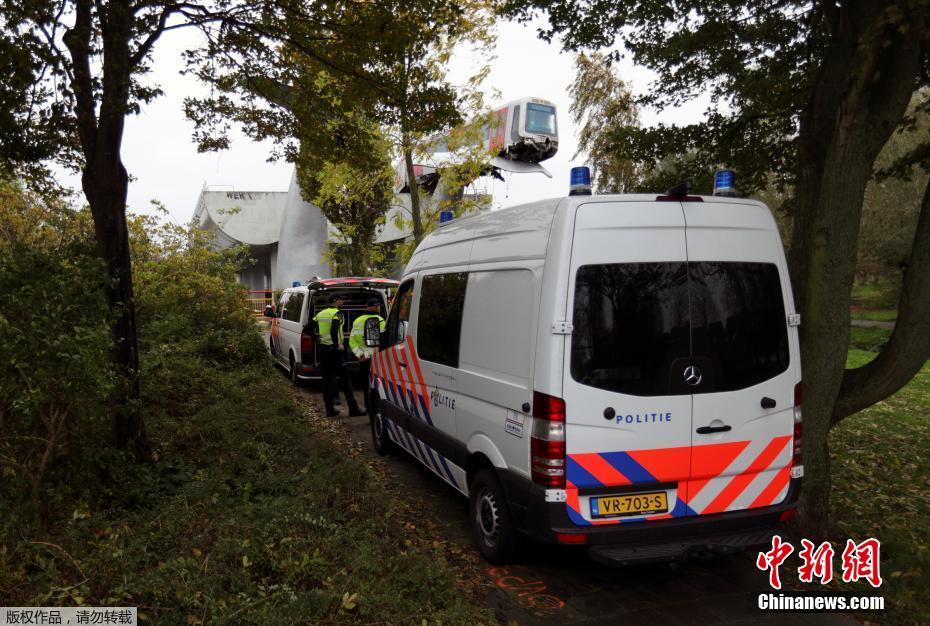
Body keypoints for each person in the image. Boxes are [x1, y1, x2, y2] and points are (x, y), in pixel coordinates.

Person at [313, 295, 364, 417]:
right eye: (341, 300)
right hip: (335, 353)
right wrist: (337, 345)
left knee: (327, 382)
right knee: (345, 380)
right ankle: (353, 409)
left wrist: (316, 336)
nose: (342, 302)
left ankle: (329, 410)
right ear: (336, 302)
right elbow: (333, 330)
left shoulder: (320, 314)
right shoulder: (337, 313)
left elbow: (309, 328)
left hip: (324, 351)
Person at [349, 297, 386, 390]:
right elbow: (382, 341)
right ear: (376, 307)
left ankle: (366, 403)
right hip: (375, 359)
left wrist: (360, 355)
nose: (379, 308)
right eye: (378, 306)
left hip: (362, 359)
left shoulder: (357, 320)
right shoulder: (379, 320)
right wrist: (368, 355)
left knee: (365, 386)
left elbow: (351, 341)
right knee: (375, 387)